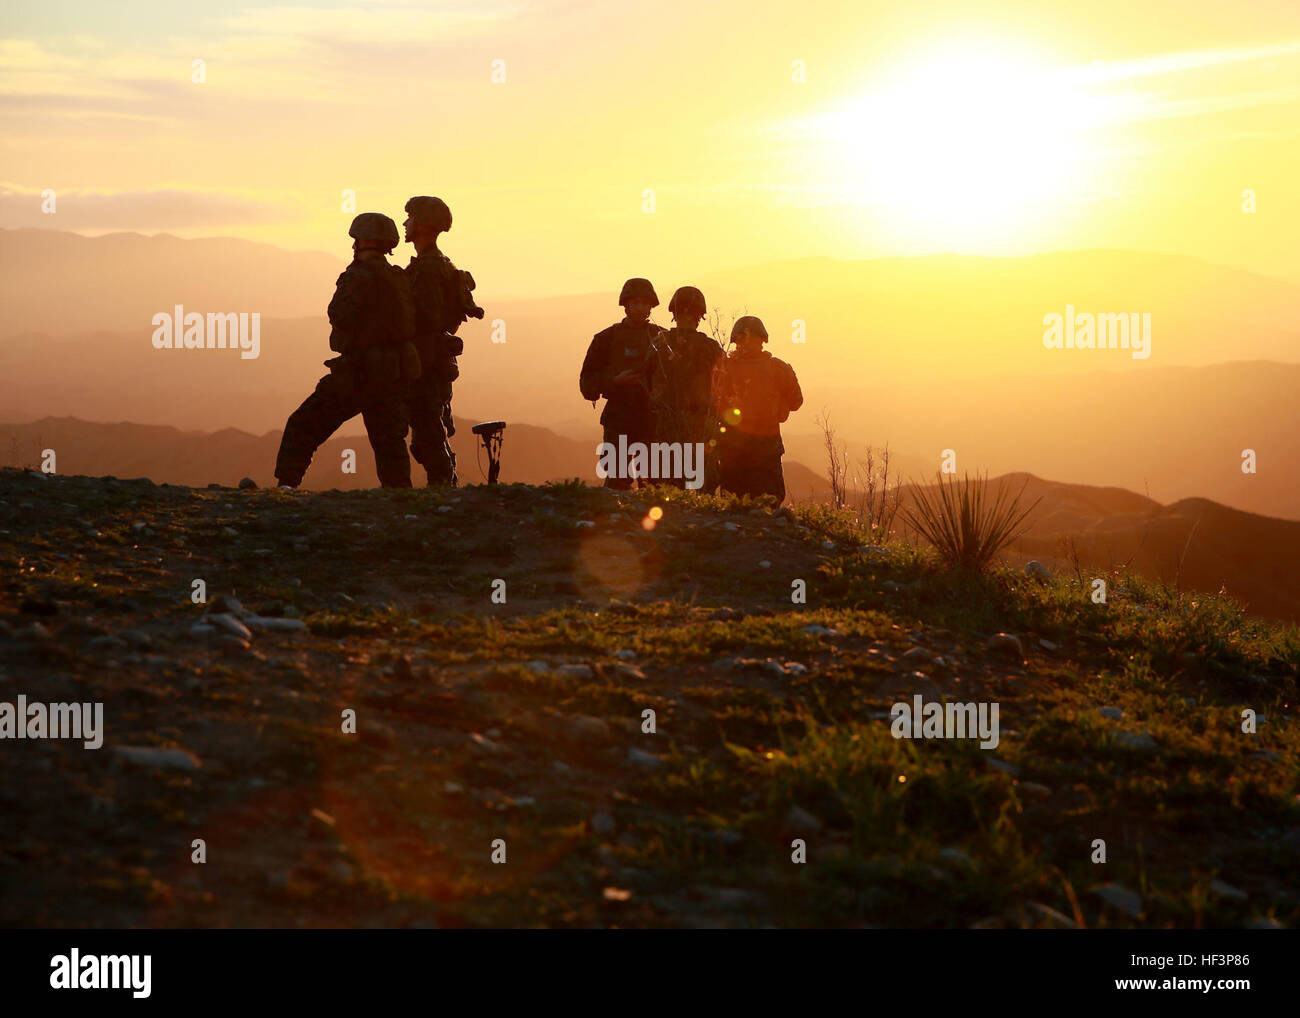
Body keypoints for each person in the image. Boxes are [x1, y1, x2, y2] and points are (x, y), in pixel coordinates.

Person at [274, 213, 418, 489]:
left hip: (359, 373)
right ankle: (400, 498)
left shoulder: (357, 277)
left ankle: (286, 486)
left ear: (362, 241)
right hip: (394, 372)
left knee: (303, 425)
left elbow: (339, 315)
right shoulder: (398, 277)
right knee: (389, 441)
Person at [402, 195, 483, 486]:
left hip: (426, 362)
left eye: (410, 218)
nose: (405, 223)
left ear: (422, 225)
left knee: (427, 433)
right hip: (433, 360)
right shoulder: (435, 265)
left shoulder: (429, 269)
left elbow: (427, 320)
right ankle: (445, 486)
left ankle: (444, 491)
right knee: (427, 434)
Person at [578, 278, 664, 490]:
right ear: (626, 305)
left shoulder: (663, 338)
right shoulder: (605, 339)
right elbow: (586, 383)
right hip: (618, 417)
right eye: (635, 303)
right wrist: (614, 382)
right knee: (617, 481)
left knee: (653, 483)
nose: (641, 308)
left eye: (645, 304)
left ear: (651, 306)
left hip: (652, 419)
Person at [711, 315, 803, 504]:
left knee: (736, 503)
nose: (747, 343)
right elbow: (796, 402)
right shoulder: (777, 368)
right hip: (758, 449)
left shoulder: (727, 368)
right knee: (765, 504)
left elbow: (714, 404)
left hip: (742, 448)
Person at [646, 285, 724, 491]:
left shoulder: (658, 344)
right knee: (696, 487)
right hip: (688, 428)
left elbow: (645, 383)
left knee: (666, 486)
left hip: (676, 427)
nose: (687, 317)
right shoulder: (710, 347)